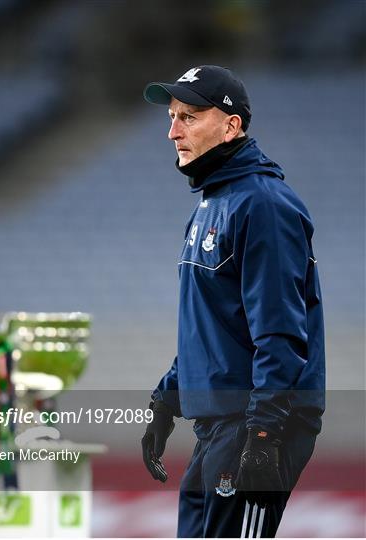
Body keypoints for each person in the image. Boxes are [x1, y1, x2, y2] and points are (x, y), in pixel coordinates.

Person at [140, 65, 325, 538]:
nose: (172, 131)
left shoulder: (263, 205)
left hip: (257, 421)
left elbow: (280, 331)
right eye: (172, 116)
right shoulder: (212, 203)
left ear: (231, 125)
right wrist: (169, 397)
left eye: (188, 117)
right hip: (221, 423)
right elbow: (216, 327)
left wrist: (264, 435)